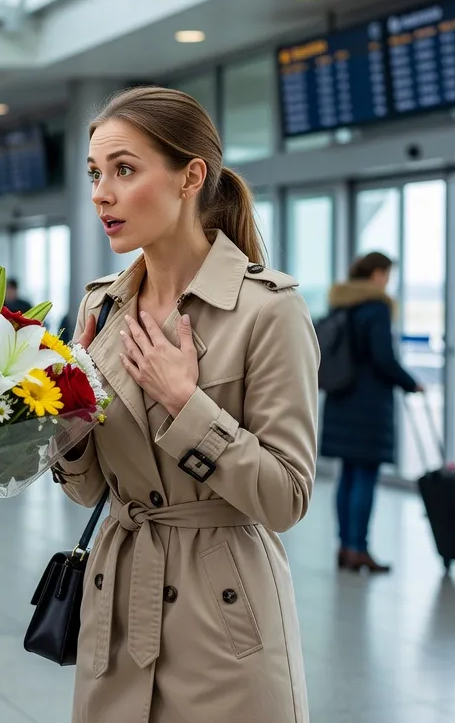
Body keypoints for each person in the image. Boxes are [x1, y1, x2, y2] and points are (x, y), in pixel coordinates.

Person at [52, 86, 317, 722]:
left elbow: (287, 498)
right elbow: (87, 493)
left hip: (225, 618)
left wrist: (185, 402)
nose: (101, 194)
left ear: (190, 176)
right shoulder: (100, 308)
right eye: (95, 173)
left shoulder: (268, 310)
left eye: (124, 169)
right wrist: (69, 419)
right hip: (115, 604)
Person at [320, 252, 422, 574]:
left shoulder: (342, 305)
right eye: (387, 274)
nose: (388, 281)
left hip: (340, 400)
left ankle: (344, 546)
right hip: (368, 404)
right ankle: (359, 549)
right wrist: (410, 383)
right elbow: (383, 358)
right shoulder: (376, 307)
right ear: (377, 273)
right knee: (365, 475)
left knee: (347, 476)